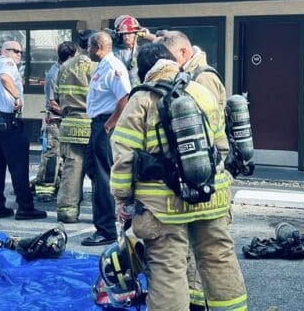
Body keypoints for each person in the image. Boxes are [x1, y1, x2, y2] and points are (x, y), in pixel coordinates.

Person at [110, 43, 247, 311]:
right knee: (219, 258)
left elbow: (124, 158)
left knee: (168, 268)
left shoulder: (141, 100)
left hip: (163, 208)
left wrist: (122, 199)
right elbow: (221, 147)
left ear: (145, 70)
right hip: (212, 196)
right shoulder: (201, 91)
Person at [159, 30, 227, 311]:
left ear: (184, 53)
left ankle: (200, 301)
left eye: (172, 58)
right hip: (200, 176)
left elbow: (209, 132)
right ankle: (196, 300)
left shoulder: (203, 77)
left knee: (208, 251)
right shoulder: (191, 74)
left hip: (207, 176)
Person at [0, 41, 46, 220]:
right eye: (15, 51)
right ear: (4, 51)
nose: (19, 55)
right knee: (19, 164)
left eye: (21, 52)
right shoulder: (7, 64)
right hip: (7, 119)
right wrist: (17, 97)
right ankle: (25, 207)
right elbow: (5, 78)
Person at [82, 31, 131, 246]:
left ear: (97, 47)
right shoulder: (101, 66)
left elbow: (125, 97)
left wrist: (109, 125)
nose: (87, 51)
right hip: (97, 124)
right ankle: (103, 224)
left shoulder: (113, 67)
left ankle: (106, 229)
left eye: (89, 47)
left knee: (103, 177)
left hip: (106, 125)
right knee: (92, 170)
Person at [56, 29, 97, 224]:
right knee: (99, 171)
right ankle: (100, 213)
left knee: (72, 169)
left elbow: (56, 96)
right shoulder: (96, 67)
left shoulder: (64, 67)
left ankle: (67, 211)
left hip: (69, 124)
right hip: (91, 123)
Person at [32, 41, 77, 202]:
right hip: (55, 121)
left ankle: (52, 184)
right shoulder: (55, 73)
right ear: (70, 57)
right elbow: (53, 102)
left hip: (62, 121)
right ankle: (45, 190)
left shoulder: (66, 71)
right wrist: (69, 114)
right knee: (51, 155)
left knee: (62, 156)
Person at [112, 15, 156, 87]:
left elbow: (161, 41)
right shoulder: (115, 51)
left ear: (136, 34)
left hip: (138, 89)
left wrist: (144, 35)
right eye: (124, 34)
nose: (126, 36)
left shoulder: (142, 51)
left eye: (129, 33)